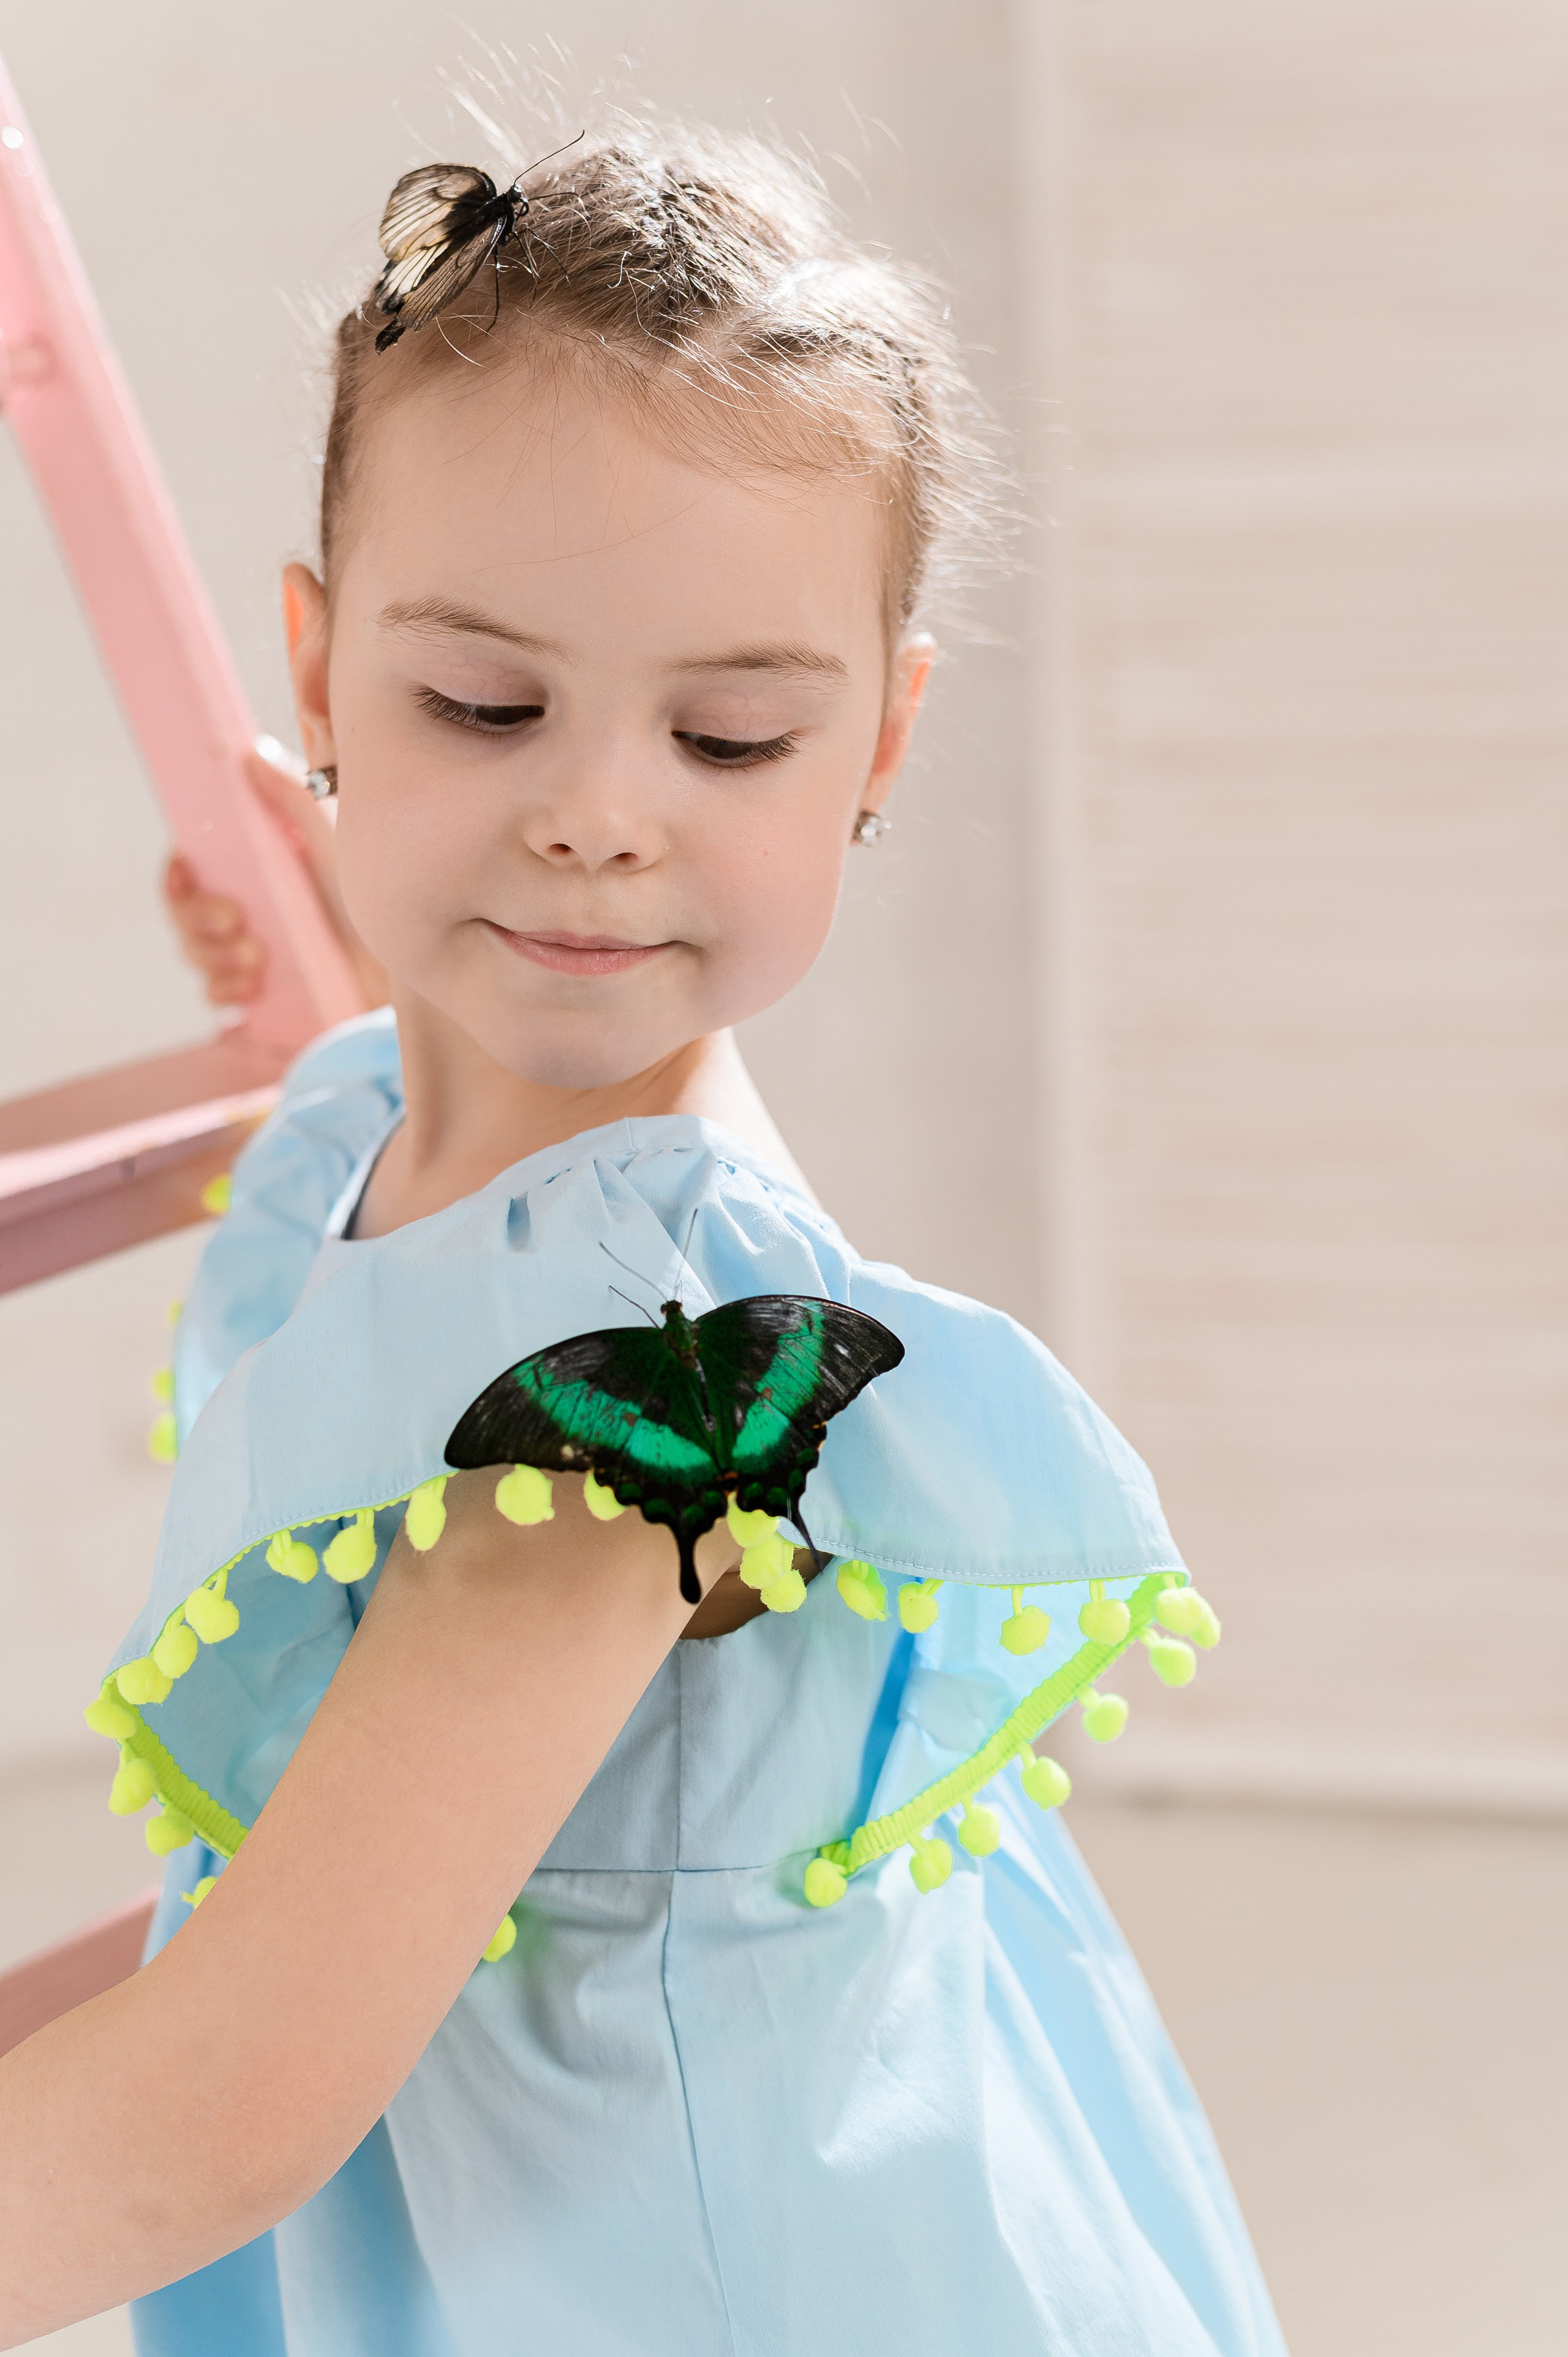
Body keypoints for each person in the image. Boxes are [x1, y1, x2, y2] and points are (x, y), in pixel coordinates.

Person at [0, 125, 1286, 2356]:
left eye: (729, 734)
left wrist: (419, 826)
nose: (599, 812)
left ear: (874, 740)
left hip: (710, 2276)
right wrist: (319, 910)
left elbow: (212, 2112)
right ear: (321, 684)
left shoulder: (623, 1420)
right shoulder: (379, 1126)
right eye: (480, 709)